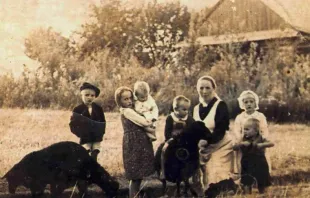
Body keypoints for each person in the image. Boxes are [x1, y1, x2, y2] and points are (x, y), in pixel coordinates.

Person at [193, 75, 236, 197]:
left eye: (208, 88)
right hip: (203, 147)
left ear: (214, 89)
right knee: (202, 174)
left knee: (215, 170)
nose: (204, 91)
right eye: (201, 88)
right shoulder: (196, 108)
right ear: (197, 89)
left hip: (221, 144)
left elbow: (220, 130)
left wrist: (206, 141)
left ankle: (224, 190)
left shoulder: (220, 105)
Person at [115, 86, 155, 198]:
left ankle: (136, 195)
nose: (129, 101)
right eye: (125, 99)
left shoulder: (132, 109)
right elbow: (143, 122)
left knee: (138, 174)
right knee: (135, 176)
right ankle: (133, 195)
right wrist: (149, 121)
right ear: (119, 101)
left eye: (130, 98)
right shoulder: (127, 111)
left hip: (139, 141)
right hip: (134, 143)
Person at [233, 90, 271, 175]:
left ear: (255, 103)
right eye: (246, 102)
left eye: (251, 102)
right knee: (245, 171)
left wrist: (262, 140)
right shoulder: (239, 117)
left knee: (261, 170)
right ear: (243, 104)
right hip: (245, 146)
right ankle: (247, 184)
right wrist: (241, 141)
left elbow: (264, 130)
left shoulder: (260, 116)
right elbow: (237, 131)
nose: (249, 104)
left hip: (258, 145)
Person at [233, 118, 274, 194]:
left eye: (247, 129)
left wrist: (262, 144)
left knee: (262, 179)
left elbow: (271, 143)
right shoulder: (243, 139)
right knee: (246, 180)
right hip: (247, 162)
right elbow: (234, 147)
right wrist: (241, 144)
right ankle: (248, 194)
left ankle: (263, 193)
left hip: (260, 161)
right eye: (243, 129)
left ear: (255, 131)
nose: (244, 131)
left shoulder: (261, 138)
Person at [159, 95, 195, 179]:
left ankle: (194, 173)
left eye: (188, 109)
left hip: (185, 141)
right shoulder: (170, 118)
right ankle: (163, 171)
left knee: (194, 151)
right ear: (175, 109)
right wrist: (170, 138)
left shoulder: (189, 119)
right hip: (173, 140)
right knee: (164, 150)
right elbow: (167, 132)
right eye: (184, 109)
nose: (187, 112)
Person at [69, 82, 106, 161]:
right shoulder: (78, 109)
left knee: (95, 153)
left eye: (92, 95)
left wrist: (100, 133)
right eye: (86, 95)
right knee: (85, 153)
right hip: (85, 137)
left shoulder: (98, 109)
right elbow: (73, 125)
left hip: (96, 136)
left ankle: (94, 169)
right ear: (81, 96)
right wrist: (80, 133)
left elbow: (103, 122)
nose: (89, 97)